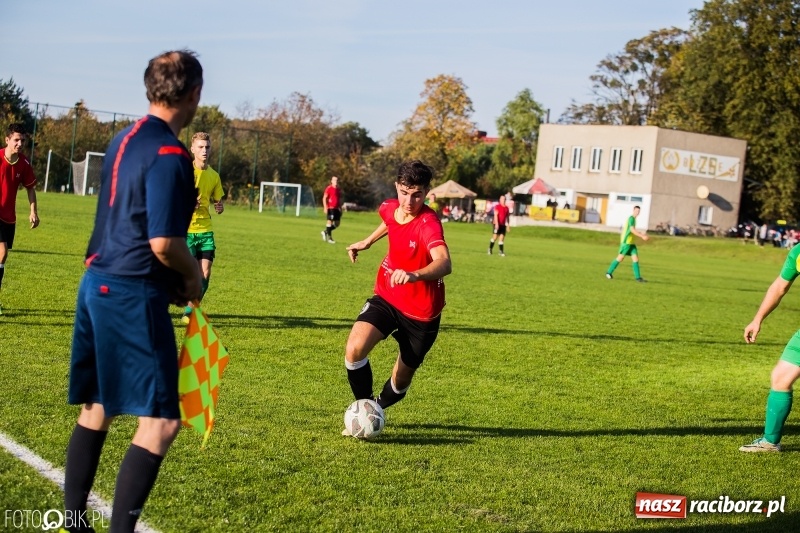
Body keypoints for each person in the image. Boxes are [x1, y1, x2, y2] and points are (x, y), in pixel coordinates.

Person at [63, 50, 203, 533]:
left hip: (96, 285)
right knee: (162, 422)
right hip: (130, 292)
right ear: (194, 95)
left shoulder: (122, 139)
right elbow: (163, 243)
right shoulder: (169, 154)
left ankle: (74, 521)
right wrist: (193, 277)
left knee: (99, 403)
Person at [343, 160, 452, 430]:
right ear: (397, 187)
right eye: (404, 192)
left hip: (422, 313)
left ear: (427, 192)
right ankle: (365, 409)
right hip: (388, 296)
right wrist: (367, 242)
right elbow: (388, 221)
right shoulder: (390, 206)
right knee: (354, 349)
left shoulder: (428, 223)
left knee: (401, 381)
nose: (409, 201)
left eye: (417, 194)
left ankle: (377, 407)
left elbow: (444, 262)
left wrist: (415, 274)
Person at [739, 244, 800, 452]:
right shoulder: (798, 252)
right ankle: (770, 442)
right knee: (781, 377)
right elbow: (778, 288)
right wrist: (757, 319)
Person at [181, 132, 224, 324]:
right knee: (190, 275)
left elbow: (218, 202)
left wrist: (219, 206)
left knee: (205, 274)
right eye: (200, 147)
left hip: (206, 231)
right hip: (187, 231)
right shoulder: (184, 173)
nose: (204, 150)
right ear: (192, 149)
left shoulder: (214, 176)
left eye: (207, 147)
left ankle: (190, 309)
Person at [0, 123, 40, 316]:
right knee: (2, 253)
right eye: (16, 140)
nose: (19, 143)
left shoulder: (23, 164)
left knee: (1, 257)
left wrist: (33, 211)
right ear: (7, 140)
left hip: (9, 217)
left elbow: (30, 188)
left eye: (22, 140)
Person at [605, 205, 649, 282]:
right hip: (626, 243)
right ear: (633, 210)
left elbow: (632, 230)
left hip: (631, 243)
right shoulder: (631, 218)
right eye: (636, 211)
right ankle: (608, 272)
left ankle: (638, 278)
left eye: (638, 211)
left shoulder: (634, 219)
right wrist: (641, 236)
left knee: (635, 259)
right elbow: (631, 230)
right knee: (620, 258)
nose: (637, 212)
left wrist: (639, 232)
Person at [321, 176, 341, 244]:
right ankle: (330, 238)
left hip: (337, 209)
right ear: (331, 181)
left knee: (337, 224)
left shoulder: (338, 189)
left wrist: (340, 208)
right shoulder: (329, 188)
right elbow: (324, 198)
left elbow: (339, 199)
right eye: (335, 180)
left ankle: (325, 232)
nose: (336, 181)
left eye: (337, 180)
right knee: (330, 222)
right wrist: (325, 207)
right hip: (331, 208)